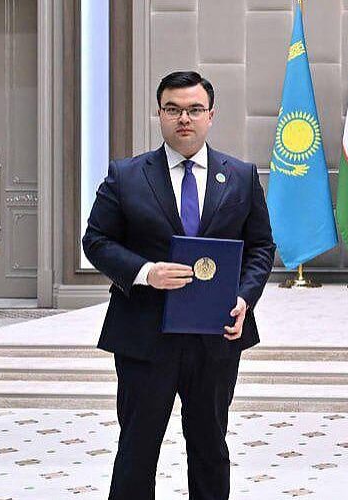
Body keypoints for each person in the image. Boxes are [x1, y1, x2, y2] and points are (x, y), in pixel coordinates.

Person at [82, 71, 275, 500]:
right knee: (136, 450)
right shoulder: (126, 175)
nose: (183, 118)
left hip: (216, 336)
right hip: (145, 335)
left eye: (194, 109)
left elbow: (261, 247)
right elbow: (95, 240)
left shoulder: (240, 175)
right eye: (173, 109)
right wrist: (146, 272)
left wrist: (245, 297)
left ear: (211, 115)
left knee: (210, 447)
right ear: (160, 114)